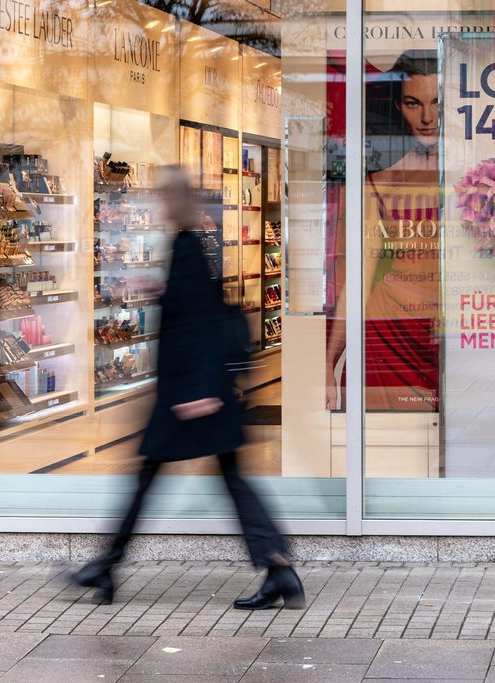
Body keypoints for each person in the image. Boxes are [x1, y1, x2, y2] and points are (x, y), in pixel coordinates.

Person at [71, 166, 304, 610]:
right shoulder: (192, 245)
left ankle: (106, 564)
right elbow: (197, 310)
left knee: (153, 477)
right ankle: (277, 568)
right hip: (198, 389)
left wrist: (198, 391)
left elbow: (197, 324)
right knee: (217, 477)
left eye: (162, 197)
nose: (158, 204)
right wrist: (160, 292)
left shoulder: (187, 248)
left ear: (173, 201)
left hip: (193, 395)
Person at [326, 50, 441, 411]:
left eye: (437, 103)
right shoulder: (375, 185)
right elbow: (358, 277)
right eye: (413, 103)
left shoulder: (473, 183)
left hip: (443, 338)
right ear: (398, 105)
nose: (426, 117)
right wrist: (327, 364)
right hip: (386, 338)